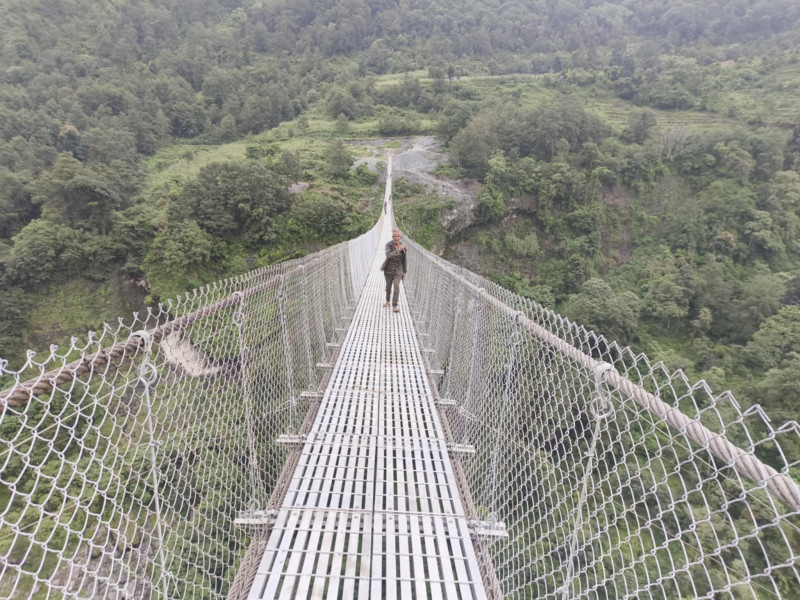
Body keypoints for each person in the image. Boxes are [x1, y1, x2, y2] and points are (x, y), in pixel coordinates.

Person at [383, 229, 407, 313]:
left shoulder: (404, 248)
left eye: (398, 236)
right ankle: (387, 301)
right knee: (388, 287)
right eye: (395, 236)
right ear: (392, 237)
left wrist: (404, 271)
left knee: (396, 287)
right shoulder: (388, 245)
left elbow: (404, 260)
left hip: (398, 271)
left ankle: (395, 305)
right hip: (388, 270)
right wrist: (397, 250)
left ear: (400, 237)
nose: (396, 238)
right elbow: (388, 255)